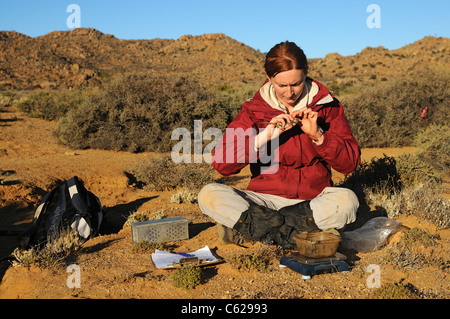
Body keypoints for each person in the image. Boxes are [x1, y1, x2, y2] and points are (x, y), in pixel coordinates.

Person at [198, 41, 361, 249]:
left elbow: (349, 164)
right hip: (262, 202)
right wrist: (263, 136)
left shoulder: (328, 107)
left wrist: (318, 135)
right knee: (208, 194)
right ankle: (301, 233)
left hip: (312, 202)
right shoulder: (254, 110)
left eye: (296, 84)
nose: (289, 93)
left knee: (347, 200)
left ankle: (258, 232)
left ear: (306, 74)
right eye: (281, 85)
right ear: (269, 78)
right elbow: (221, 164)